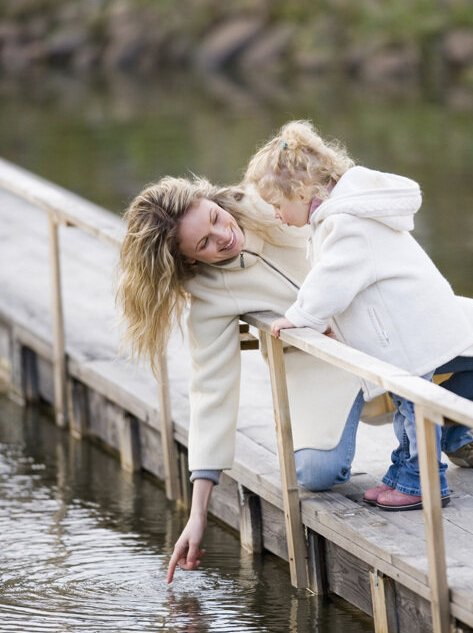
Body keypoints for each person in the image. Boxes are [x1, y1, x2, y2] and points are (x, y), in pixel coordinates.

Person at [244, 120, 473, 512]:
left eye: (278, 206)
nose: (278, 217)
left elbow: (332, 281)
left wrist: (300, 317)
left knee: (413, 411)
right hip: (409, 327)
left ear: (301, 192)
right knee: (410, 409)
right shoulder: (345, 213)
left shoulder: (343, 223)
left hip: (406, 333)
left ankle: (422, 483)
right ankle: (406, 475)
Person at [117, 174, 362, 583]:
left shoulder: (268, 200)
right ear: (190, 261)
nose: (223, 236)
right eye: (204, 244)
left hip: (376, 319)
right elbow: (210, 394)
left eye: (215, 218)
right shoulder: (210, 296)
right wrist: (197, 515)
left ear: (213, 201)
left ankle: (453, 431)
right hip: (318, 367)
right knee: (317, 473)